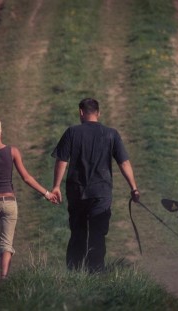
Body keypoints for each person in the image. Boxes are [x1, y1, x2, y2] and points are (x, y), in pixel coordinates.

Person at [51, 98, 140, 273]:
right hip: (101, 192)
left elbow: (62, 161)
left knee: (78, 232)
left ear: (81, 113)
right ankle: (96, 272)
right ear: (98, 113)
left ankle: (75, 272)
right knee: (98, 234)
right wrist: (133, 188)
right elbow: (124, 163)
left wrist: (55, 186)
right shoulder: (111, 134)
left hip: (76, 191)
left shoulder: (72, 132)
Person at [0, 116, 57, 289]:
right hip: (9, 203)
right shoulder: (12, 151)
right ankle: (4, 279)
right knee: (6, 244)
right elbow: (26, 178)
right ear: (0, 131)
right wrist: (47, 193)